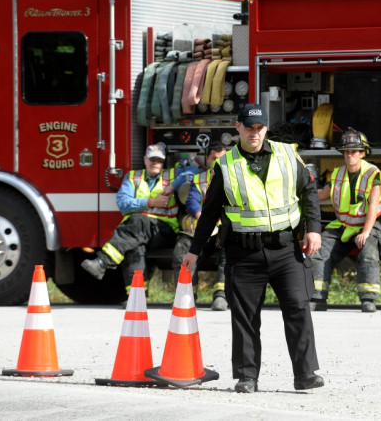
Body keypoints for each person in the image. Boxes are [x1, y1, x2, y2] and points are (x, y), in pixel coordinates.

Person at [182, 103, 324, 394]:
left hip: (286, 249)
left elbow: (308, 190)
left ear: (266, 129)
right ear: (238, 128)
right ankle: (247, 377)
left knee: (298, 307)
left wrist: (313, 229)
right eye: (249, 128)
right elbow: (209, 212)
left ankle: (305, 373)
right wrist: (195, 250)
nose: (255, 133)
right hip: (244, 252)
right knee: (245, 317)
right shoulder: (226, 165)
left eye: (260, 128)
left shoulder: (286, 155)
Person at [81, 142, 199, 296]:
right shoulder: (132, 177)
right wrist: (150, 202)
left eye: (159, 160)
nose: (155, 163)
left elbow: (195, 171)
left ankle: (103, 261)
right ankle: (136, 297)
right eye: (152, 159)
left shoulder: (171, 175)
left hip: (164, 232)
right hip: (137, 230)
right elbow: (123, 204)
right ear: (145, 160)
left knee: (137, 222)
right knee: (134, 247)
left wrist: (172, 186)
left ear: (163, 161)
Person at [310, 128, 381, 313]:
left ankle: (368, 299)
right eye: (346, 152)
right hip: (345, 226)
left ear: (363, 153)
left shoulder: (372, 174)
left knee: (367, 251)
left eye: (354, 151)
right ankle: (317, 298)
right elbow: (322, 194)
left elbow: (373, 206)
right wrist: (301, 193)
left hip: (370, 226)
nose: (349, 155)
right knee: (320, 250)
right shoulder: (338, 174)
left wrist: (365, 233)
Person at [172, 141, 229, 311]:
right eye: (214, 158)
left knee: (229, 250)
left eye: (222, 158)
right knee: (182, 249)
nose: (218, 162)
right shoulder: (199, 179)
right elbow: (192, 202)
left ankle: (221, 296)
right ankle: (187, 295)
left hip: (226, 230)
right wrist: (206, 223)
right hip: (204, 231)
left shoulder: (235, 177)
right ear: (207, 159)